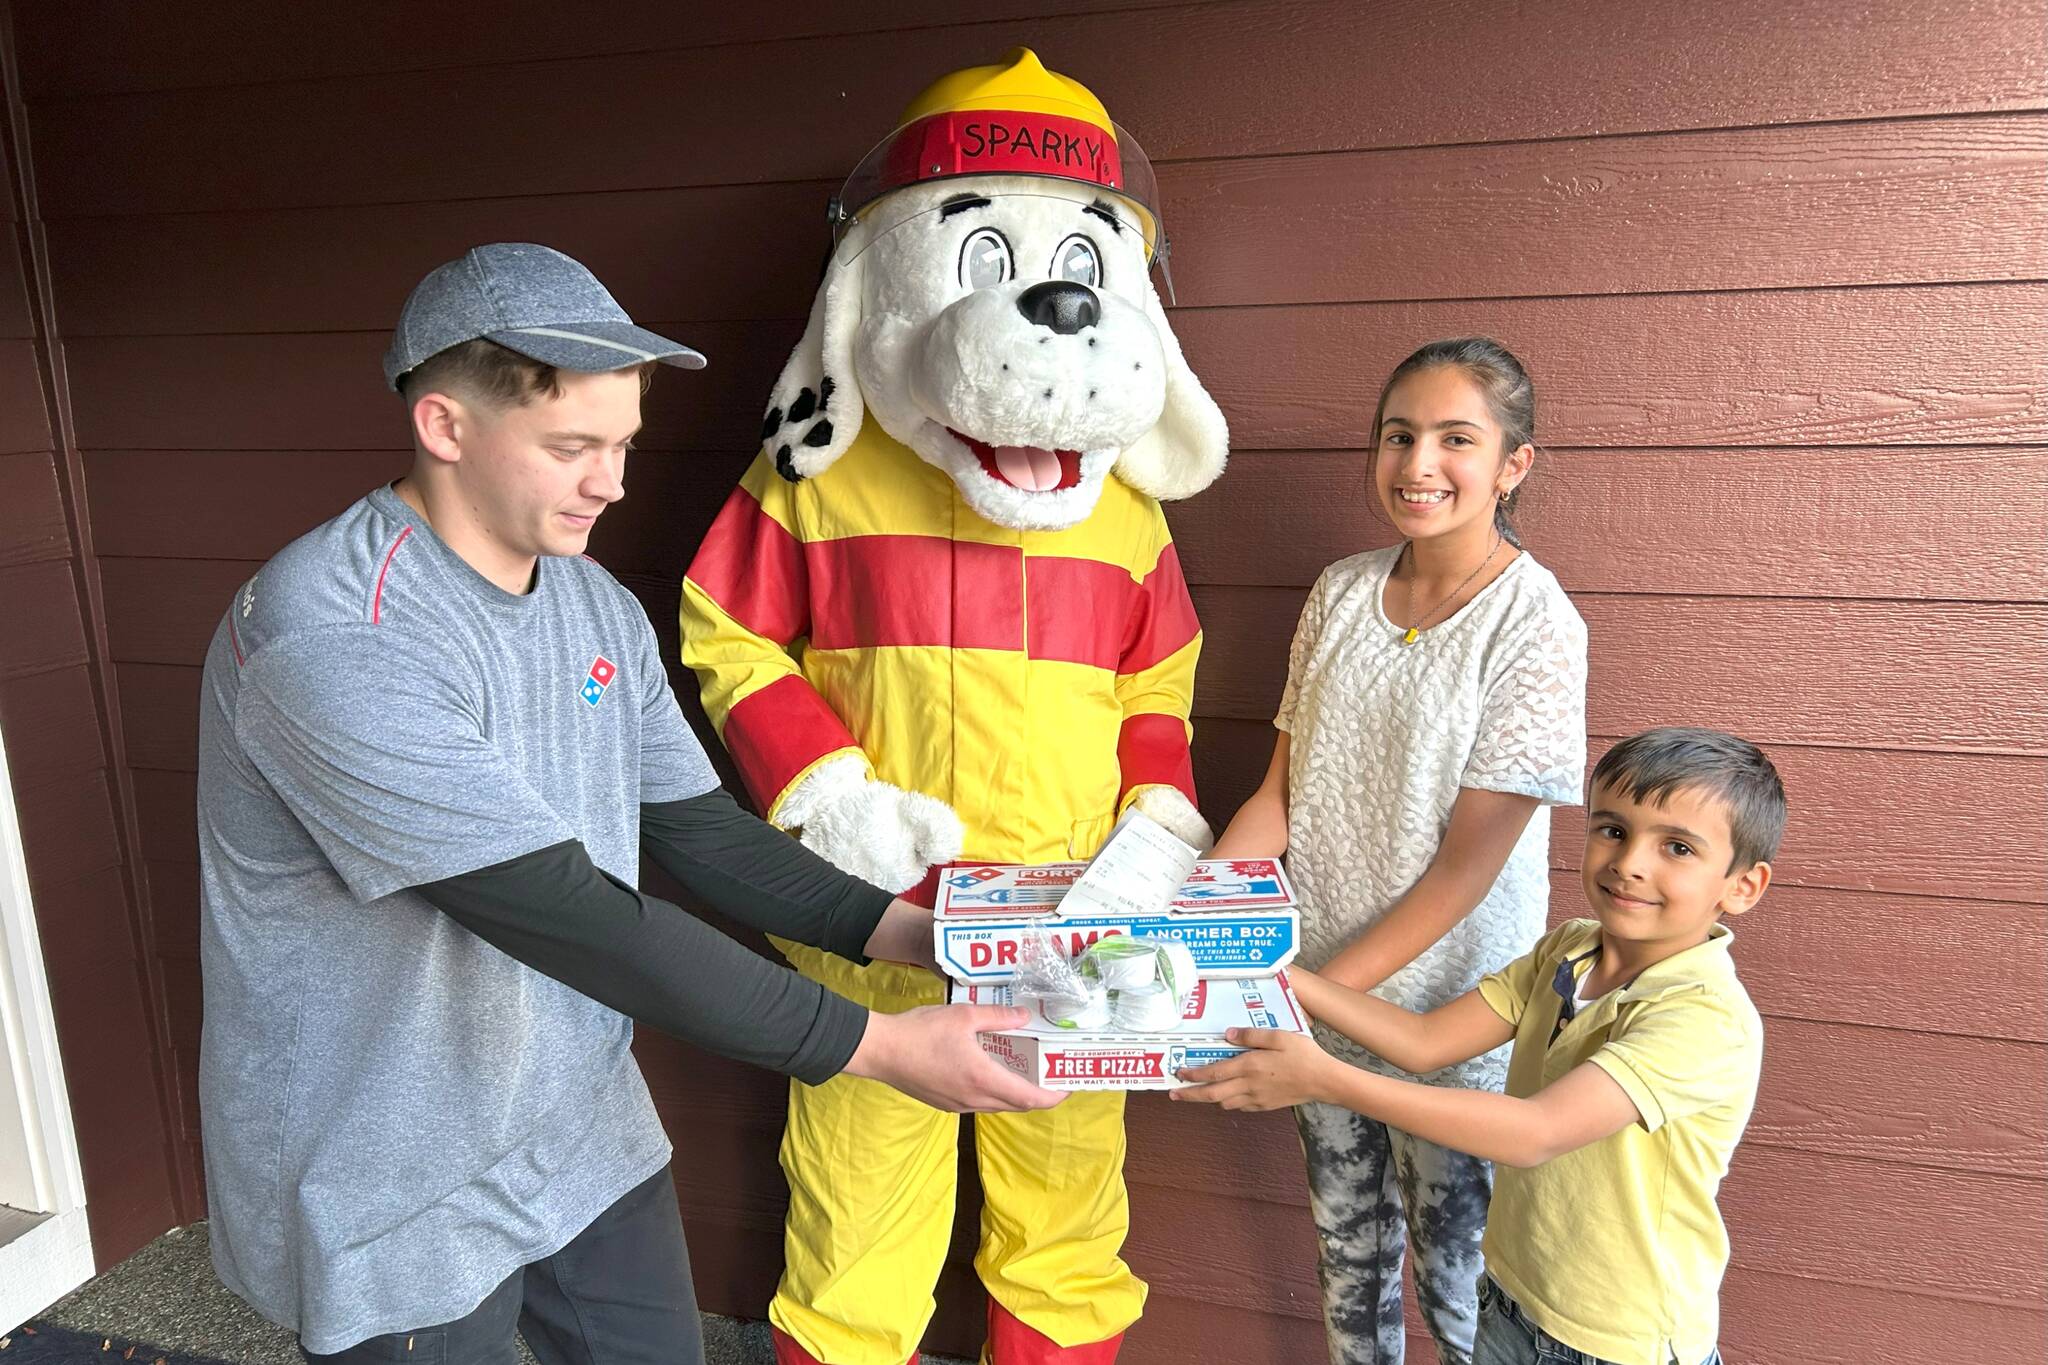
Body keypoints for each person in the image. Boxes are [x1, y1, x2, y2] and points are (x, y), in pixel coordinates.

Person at [195, 242, 1058, 1365]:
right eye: (572, 448)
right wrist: (882, 1047)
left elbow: (694, 833)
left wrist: (926, 937)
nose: (611, 482)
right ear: (446, 428)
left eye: (620, 446)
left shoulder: (594, 605)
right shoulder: (331, 635)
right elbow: (567, 913)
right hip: (388, 1169)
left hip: (575, 1120)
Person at [1207, 337, 1588, 1363]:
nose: (1418, 464)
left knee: (1458, 1285)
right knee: (1350, 1260)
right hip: (1309, 990)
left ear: (1512, 464)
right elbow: (1277, 795)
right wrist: (1205, 906)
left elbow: (1467, 870)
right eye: (1397, 435)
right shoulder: (1338, 592)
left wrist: (1307, 999)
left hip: (1446, 1021)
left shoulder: (1535, 625)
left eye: (1454, 439)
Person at [1177, 727, 1782, 1365]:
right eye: (1612, 829)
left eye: (1678, 848)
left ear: (1741, 885)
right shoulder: (1569, 950)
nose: (1630, 862)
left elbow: (1536, 1130)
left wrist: (1325, 1079)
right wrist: (1271, 972)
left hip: (1621, 1344)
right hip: (1510, 1302)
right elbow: (1424, 1041)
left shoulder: (1703, 1016)